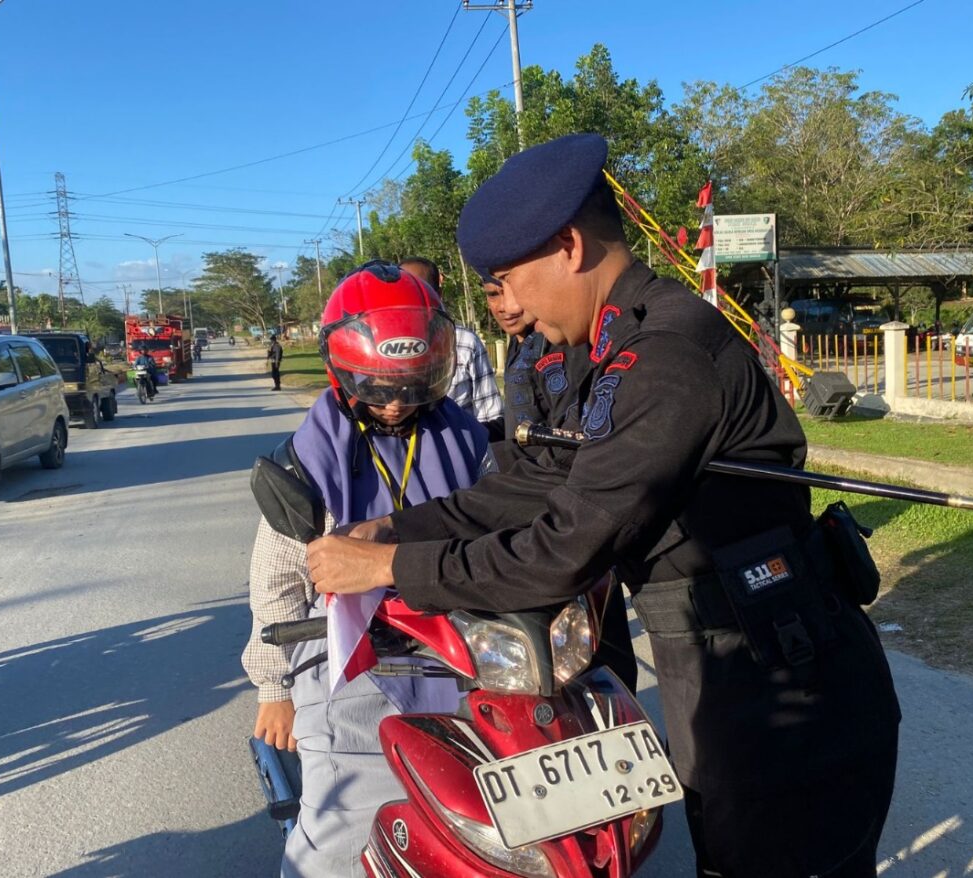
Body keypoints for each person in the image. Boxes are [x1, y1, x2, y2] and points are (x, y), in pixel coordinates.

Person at [307, 134, 901, 877]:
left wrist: (390, 566)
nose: (510, 308)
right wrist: (393, 526)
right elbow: (535, 481)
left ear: (568, 245)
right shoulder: (605, 350)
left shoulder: (668, 355)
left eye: (508, 280)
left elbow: (564, 546)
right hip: (714, 660)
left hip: (785, 679)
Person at [241, 260, 491, 878]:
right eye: (378, 387)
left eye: (415, 385)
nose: (397, 404)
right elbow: (276, 581)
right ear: (343, 372)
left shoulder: (466, 441)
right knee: (342, 831)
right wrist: (274, 690)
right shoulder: (309, 460)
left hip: (464, 647)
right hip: (349, 656)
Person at [483, 272, 639, 693]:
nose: (505, 306)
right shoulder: (520, 346)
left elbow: (574, 437)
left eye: (512, 290)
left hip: (567, 509)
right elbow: (520, 424)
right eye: (493, 294)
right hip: (526, 508)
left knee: (597, 648)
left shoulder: (563, 344)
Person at [398, 256, 503, 438]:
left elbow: (491, 417)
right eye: (403, 290)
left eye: (421, 291)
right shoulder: (380, 349)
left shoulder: (465, 343)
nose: (410, 298)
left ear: (438, 295)